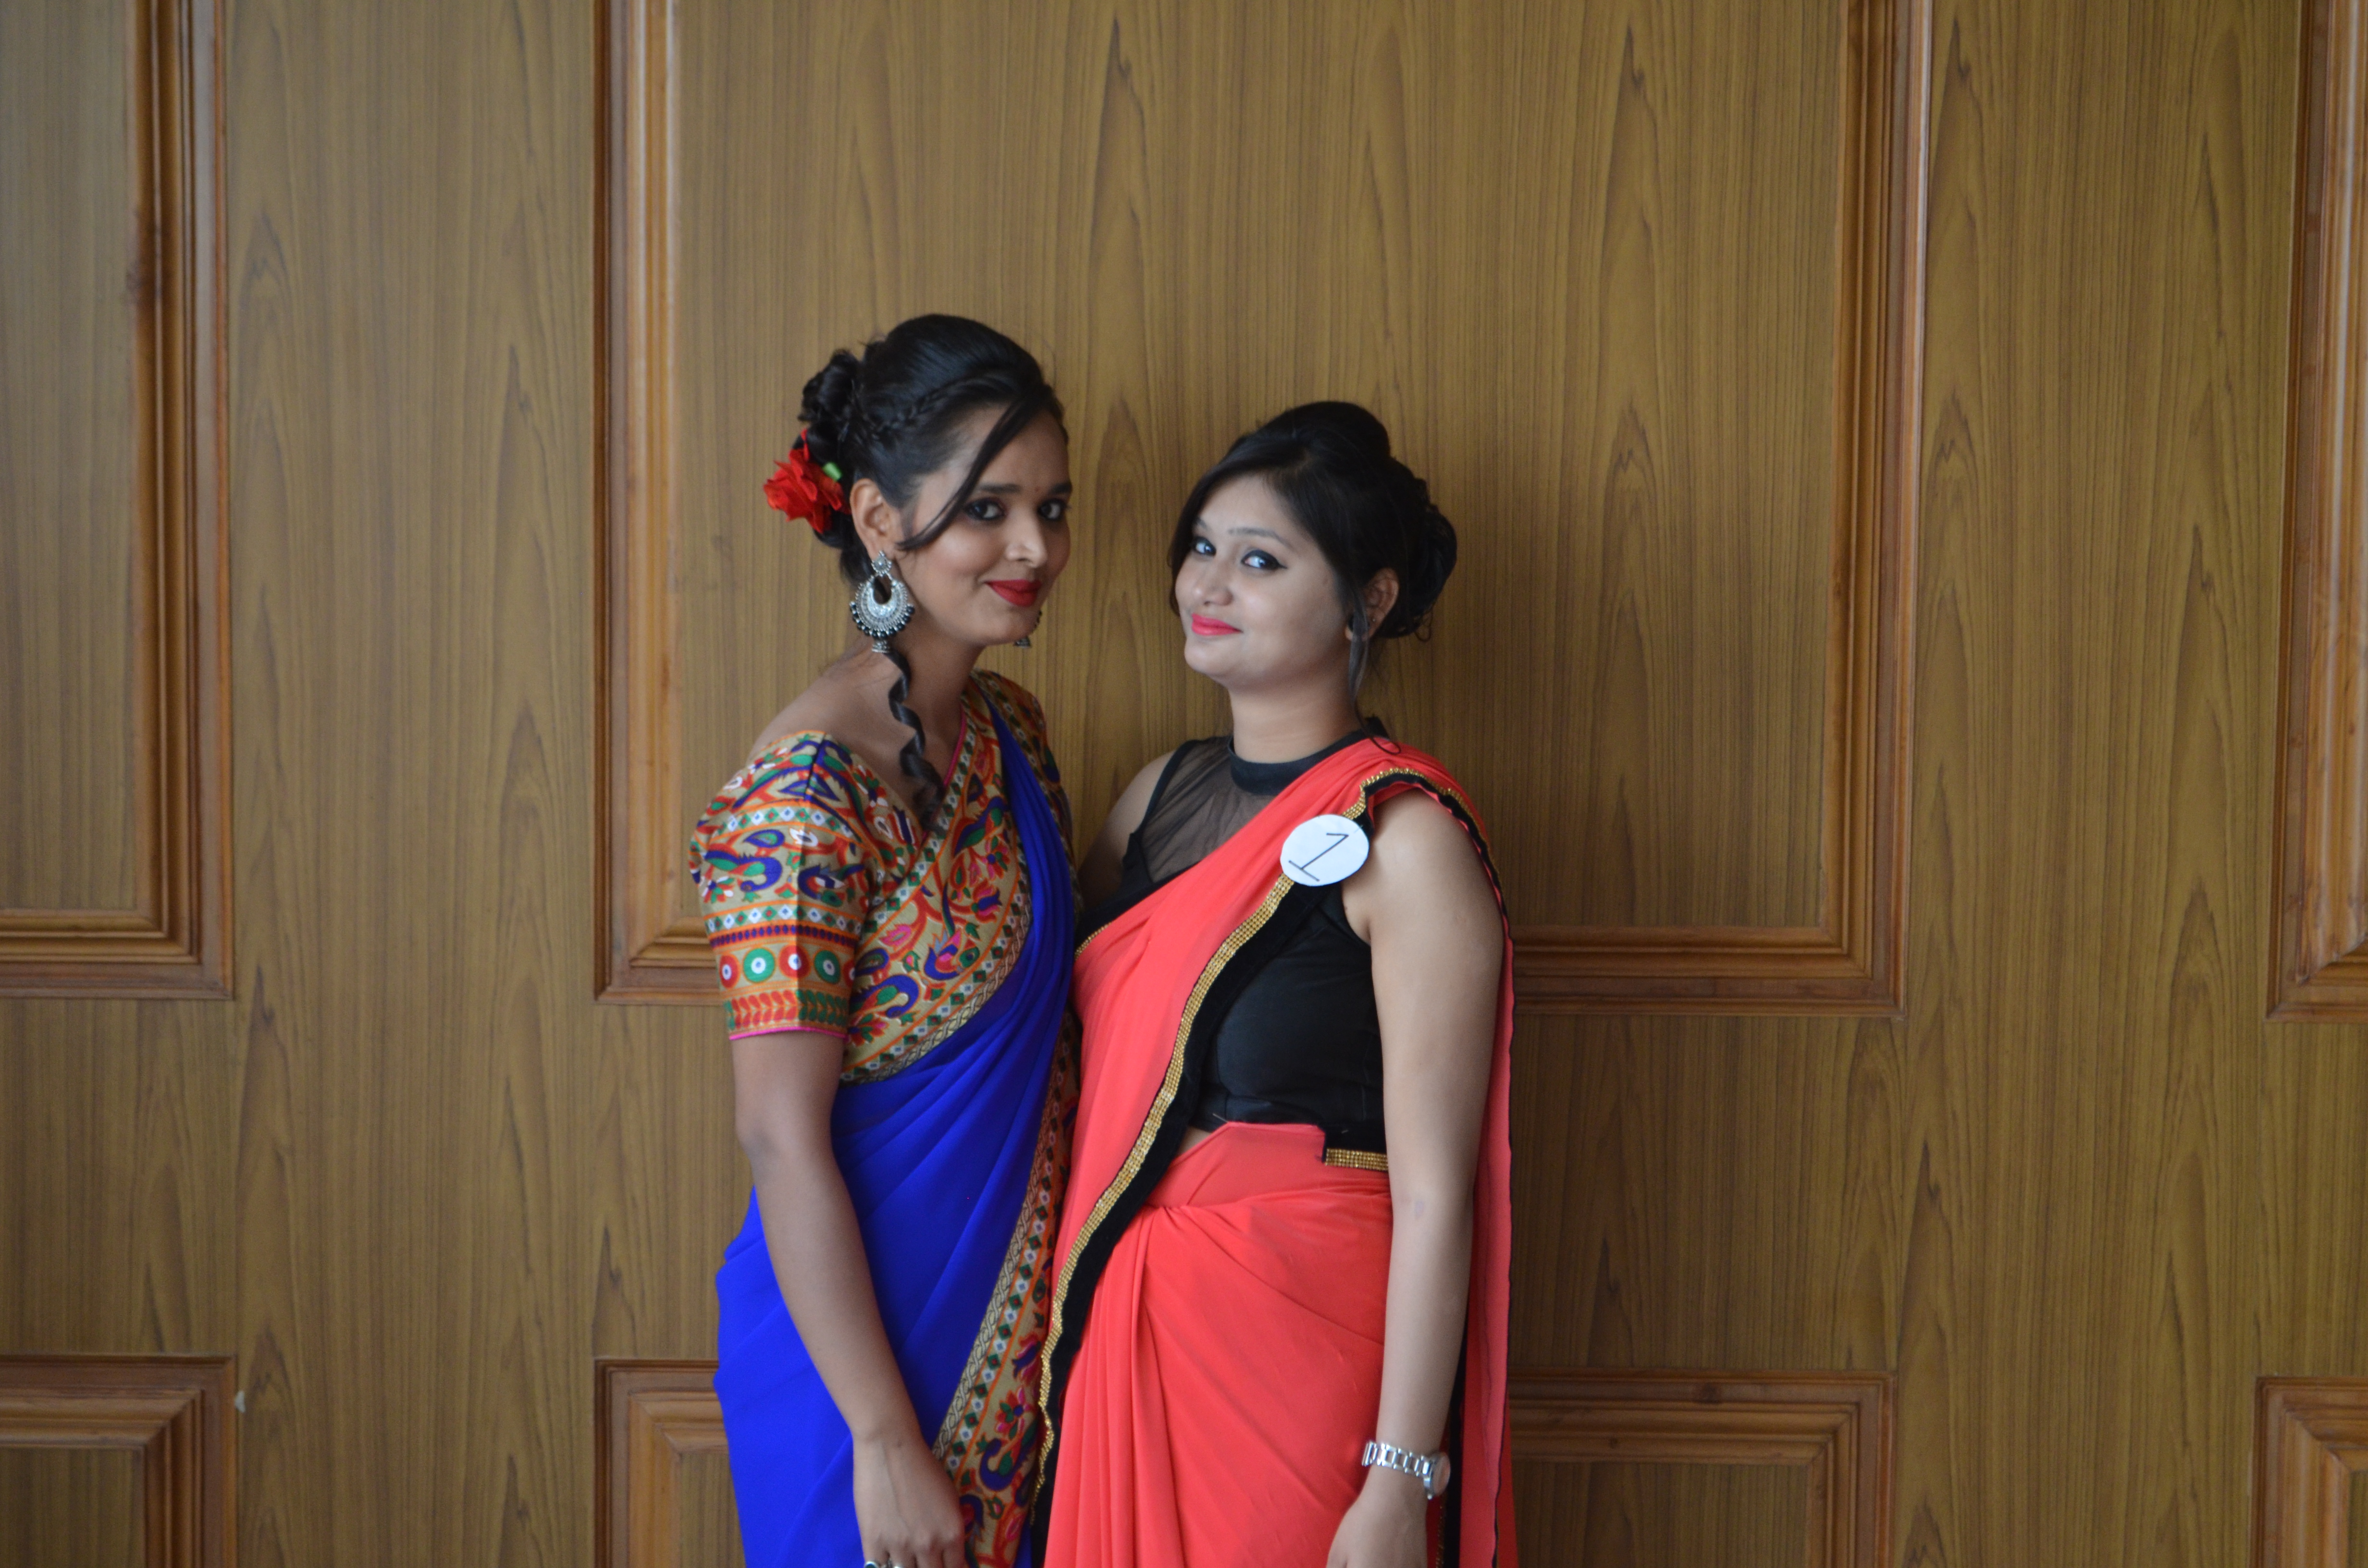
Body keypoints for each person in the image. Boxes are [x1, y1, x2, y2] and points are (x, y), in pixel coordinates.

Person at [1036, 403, 1517, 1567]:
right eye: (1202, 547)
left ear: (1370, 601)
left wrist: (1397, 1479)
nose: (1209, 584)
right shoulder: (1154, 800)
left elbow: (1436, 1195)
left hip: (1299, 1353)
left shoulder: (1406, 838)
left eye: (1261, 560)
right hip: (1125, 1319)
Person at [689, 315, 1077, 1568]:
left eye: (1052, 508)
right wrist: (880, 1436)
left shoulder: (1014, 735)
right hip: (854, 1379)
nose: (1034, 548)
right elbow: (777, 1134)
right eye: (988, 510)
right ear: (876, 519)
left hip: (1028, 1353)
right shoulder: (802, 793)